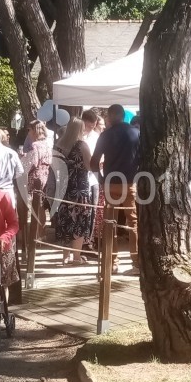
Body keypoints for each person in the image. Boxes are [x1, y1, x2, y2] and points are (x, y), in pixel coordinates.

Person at [90, 104, 141, 274]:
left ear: (111, 116)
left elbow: (94, 161)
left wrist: (102, 179)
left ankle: (112, 262)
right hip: (130, 182)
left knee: (110, 223)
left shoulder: (106, 135)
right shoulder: (136, 133)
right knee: (133, 222)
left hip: (110, 182)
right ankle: (136, 262)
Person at [52, 116, 94, 264]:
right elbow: (90, 166)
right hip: (80, 188)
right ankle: (76, 257)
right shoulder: (82, 145)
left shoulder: (59, 145)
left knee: (66, 220)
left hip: (64, 187)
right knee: (80, 221)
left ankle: (65, 256)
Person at [23, 120, 52, 232]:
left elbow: (34, 162)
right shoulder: (47, 144)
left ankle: (36, 233)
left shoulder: (35, 145)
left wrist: (25, 159)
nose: (28, 132)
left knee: (35, 203)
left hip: (36, 176)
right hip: (45, 174)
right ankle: (42, 231)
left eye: (29, 130)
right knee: (41, 204)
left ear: (34, 130)